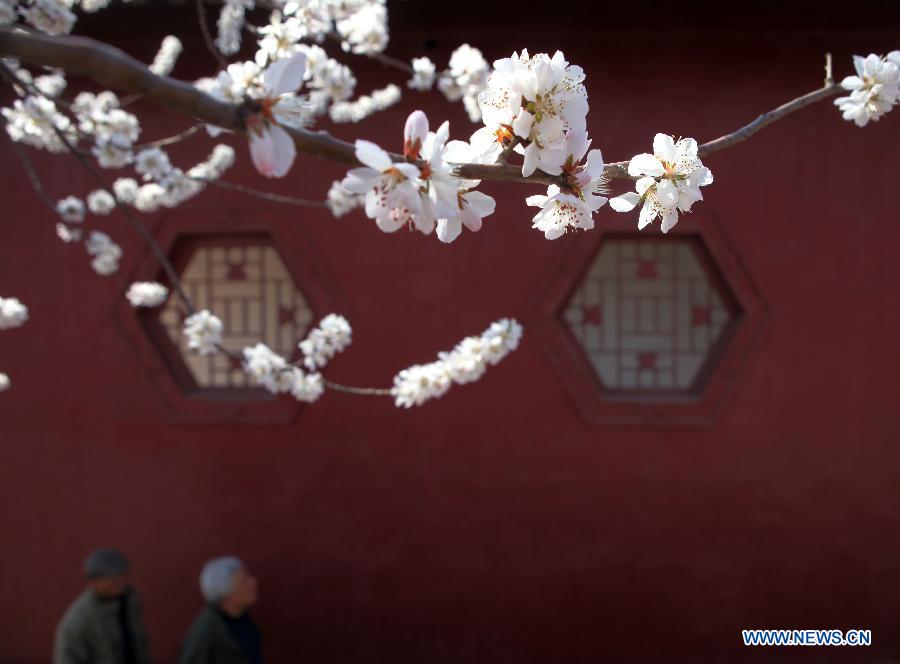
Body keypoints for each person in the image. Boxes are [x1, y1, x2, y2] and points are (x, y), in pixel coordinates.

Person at [53, 548, 151, 664]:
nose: (120, 581)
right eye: (112, 578)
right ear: (93, 582)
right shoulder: (78, 621)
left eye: (121, 575)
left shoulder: (130, 601)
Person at [178, 557, 262, 664]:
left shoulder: (242, 619)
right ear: (226, 592)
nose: (253, 582)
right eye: (244, 581)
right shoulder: (206, 632)